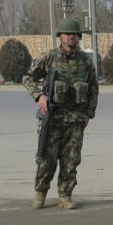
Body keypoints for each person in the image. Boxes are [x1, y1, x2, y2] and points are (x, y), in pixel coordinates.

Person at [22, 18, 99, 210]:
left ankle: (65, 195)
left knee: (71, 160)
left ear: (78, 37)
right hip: (53, 118)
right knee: (47, 159)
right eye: (66, 33)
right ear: (60, 36)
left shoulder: (86, 63)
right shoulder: (49, 58)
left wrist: (89, 114)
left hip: (75, 120)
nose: (70, 36)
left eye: (73, 34)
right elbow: (28, 77)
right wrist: (39, 96)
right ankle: (40, 192)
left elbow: (93, 89)